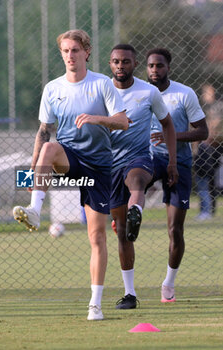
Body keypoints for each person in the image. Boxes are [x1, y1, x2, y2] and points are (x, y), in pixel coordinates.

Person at [13, 29, 129, 321]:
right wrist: (32, 173)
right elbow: (43, 132)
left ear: (87, 52)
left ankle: (95, 304)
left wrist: (96, 119)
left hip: (99, 168)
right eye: (65, 51)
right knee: (50, 147)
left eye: (75, 50)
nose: (69, 56)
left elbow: (123, 122)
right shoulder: (53, 88)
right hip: (70, 159)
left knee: (97, 236)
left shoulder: (102, 84)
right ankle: (36, 211)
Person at [109, 44, 178, 309]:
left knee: (137, 179)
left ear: (135, 64)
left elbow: (167, 124)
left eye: (125, 61)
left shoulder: (148, 92)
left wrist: (172, 162)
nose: (120, 66)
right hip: (108, 165)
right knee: (122, 233)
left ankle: (136, 208)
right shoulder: (101, 90)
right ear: (110, 64)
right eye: (116, 61)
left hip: (139, 156)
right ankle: (129, 294)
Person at [146, 48, 208, 302]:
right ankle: (128, 213)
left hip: (179, 163)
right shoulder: (139, 94)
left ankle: (168, 284)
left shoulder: (184, 94)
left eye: (159, 66)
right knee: (132, 182)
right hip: (148, 160)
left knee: (175, 229)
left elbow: (202, 132)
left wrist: (171, 136)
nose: (154, 70)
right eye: (150, 66)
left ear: (168, 68)